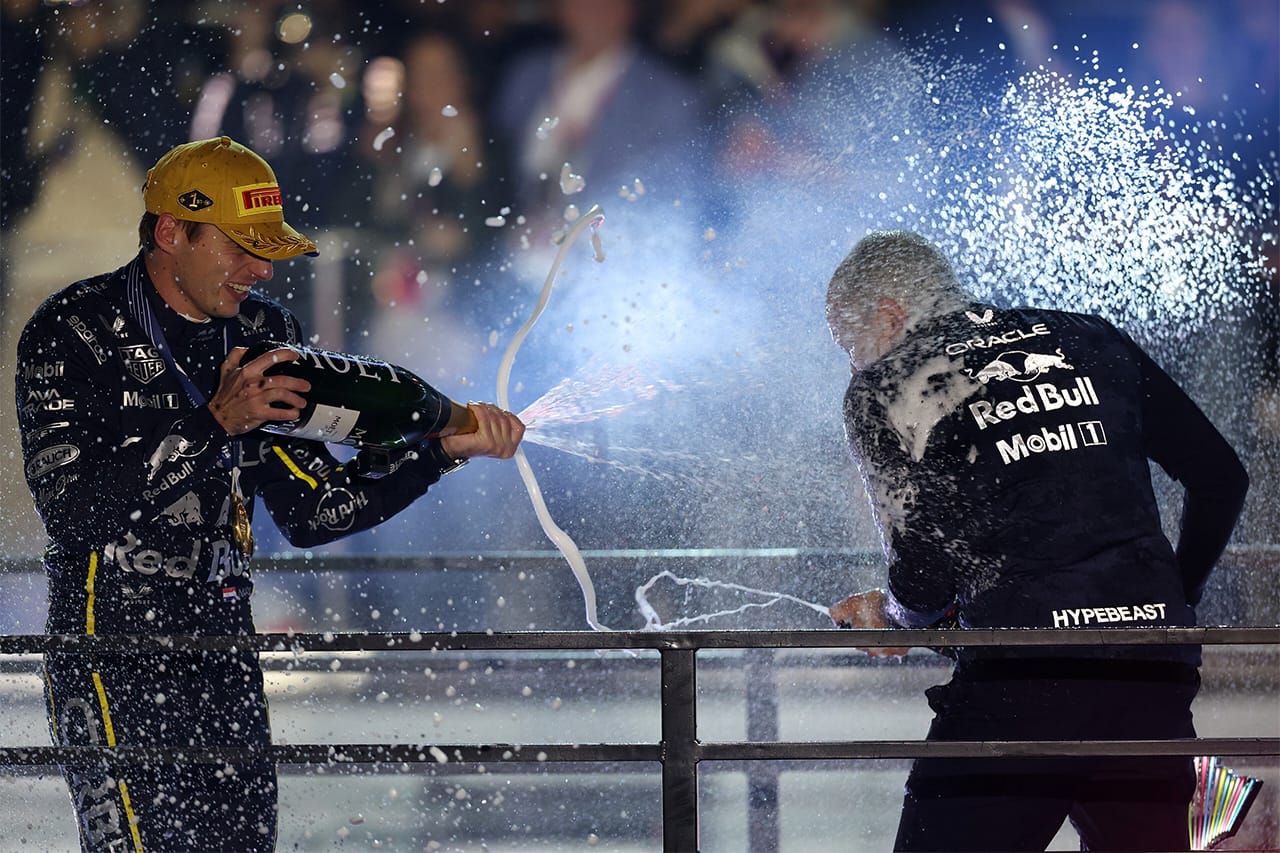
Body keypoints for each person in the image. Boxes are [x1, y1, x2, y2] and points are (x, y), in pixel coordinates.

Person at [14, 135, 524, 852]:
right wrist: (213, 423)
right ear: (170, 232)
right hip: (109, 649)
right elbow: (74, 513)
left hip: (223, 642)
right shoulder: (71, 330)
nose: (259, 270)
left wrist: (436, 454)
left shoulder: (263, 332)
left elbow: (314, 511)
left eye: (268, 250)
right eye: (240, 247)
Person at [823, 230, 1248, 852]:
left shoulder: (885, 386)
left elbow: (925, 570)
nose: (853, 364)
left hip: (1021, 681)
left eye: (848, 344)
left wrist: (894, 618)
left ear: (890, 315)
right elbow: (1221, 477)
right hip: (1151, 670)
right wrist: (1171, 604)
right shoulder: (1090, 337)